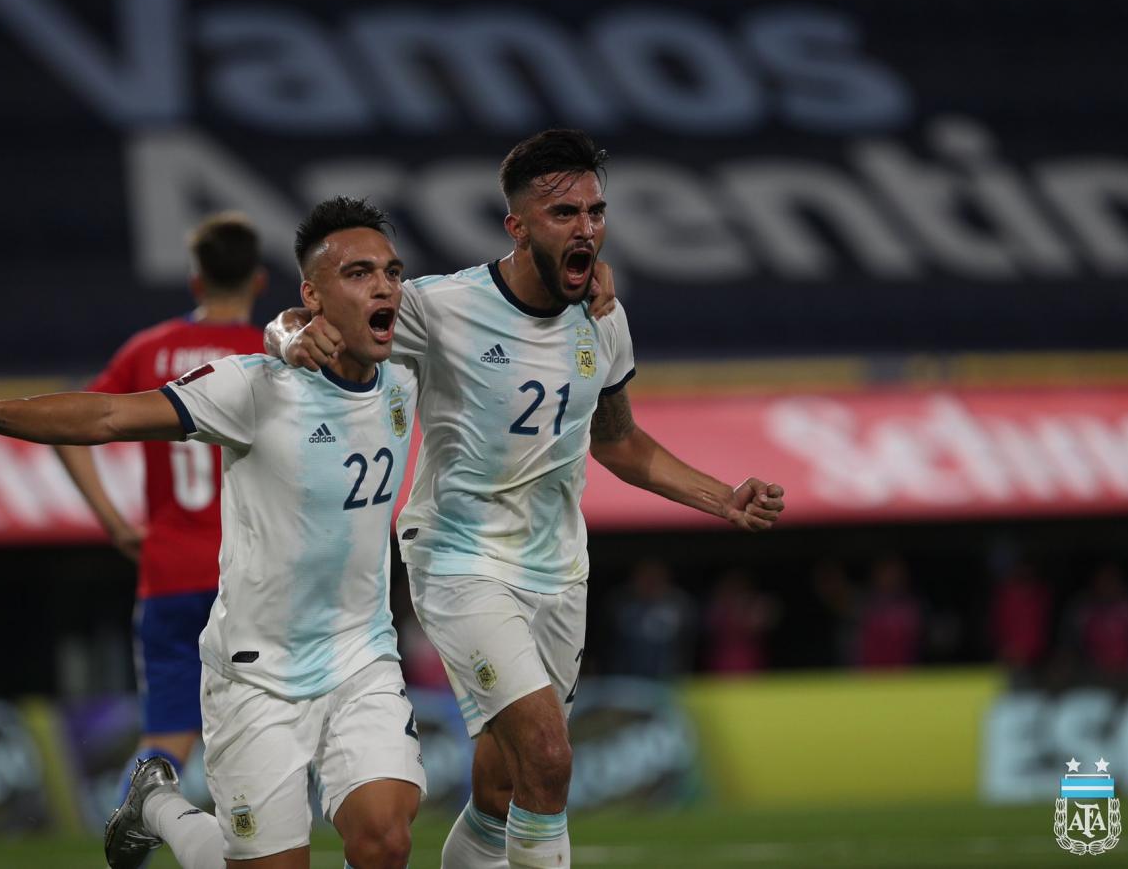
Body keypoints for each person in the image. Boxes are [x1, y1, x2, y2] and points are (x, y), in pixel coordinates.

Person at [270, 129, 785, 869]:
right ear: (516, 226)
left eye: (594, 212)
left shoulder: (603, 320)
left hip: (557, 570)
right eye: (563, 214)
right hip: (460, 560)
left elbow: (619, 442)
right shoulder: (441, 307)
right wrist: (287, 336)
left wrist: (721, 497)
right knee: (549, 754)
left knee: (503, 787)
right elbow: (317, 318)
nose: (586, 229)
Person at [0, 197, 425, 869]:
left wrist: (586, 295)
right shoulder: (252, 386)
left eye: (391, 271)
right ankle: (157, 805)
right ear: (313, 295)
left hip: (361, 659)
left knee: (385, 840)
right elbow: (106, 417)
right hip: (255, 674)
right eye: (360, 273)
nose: (384, 285)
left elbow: (504, 297)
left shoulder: (409, 369)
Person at [53, 211, 266, 809]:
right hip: (249, 575)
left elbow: (72, 428)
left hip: (168, 572)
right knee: (267, 729)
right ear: (258, 279)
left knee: (165, 743)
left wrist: (116, 524)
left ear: (196, 281)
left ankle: (129, 848)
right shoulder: (268, 354)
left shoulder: (148, 351)